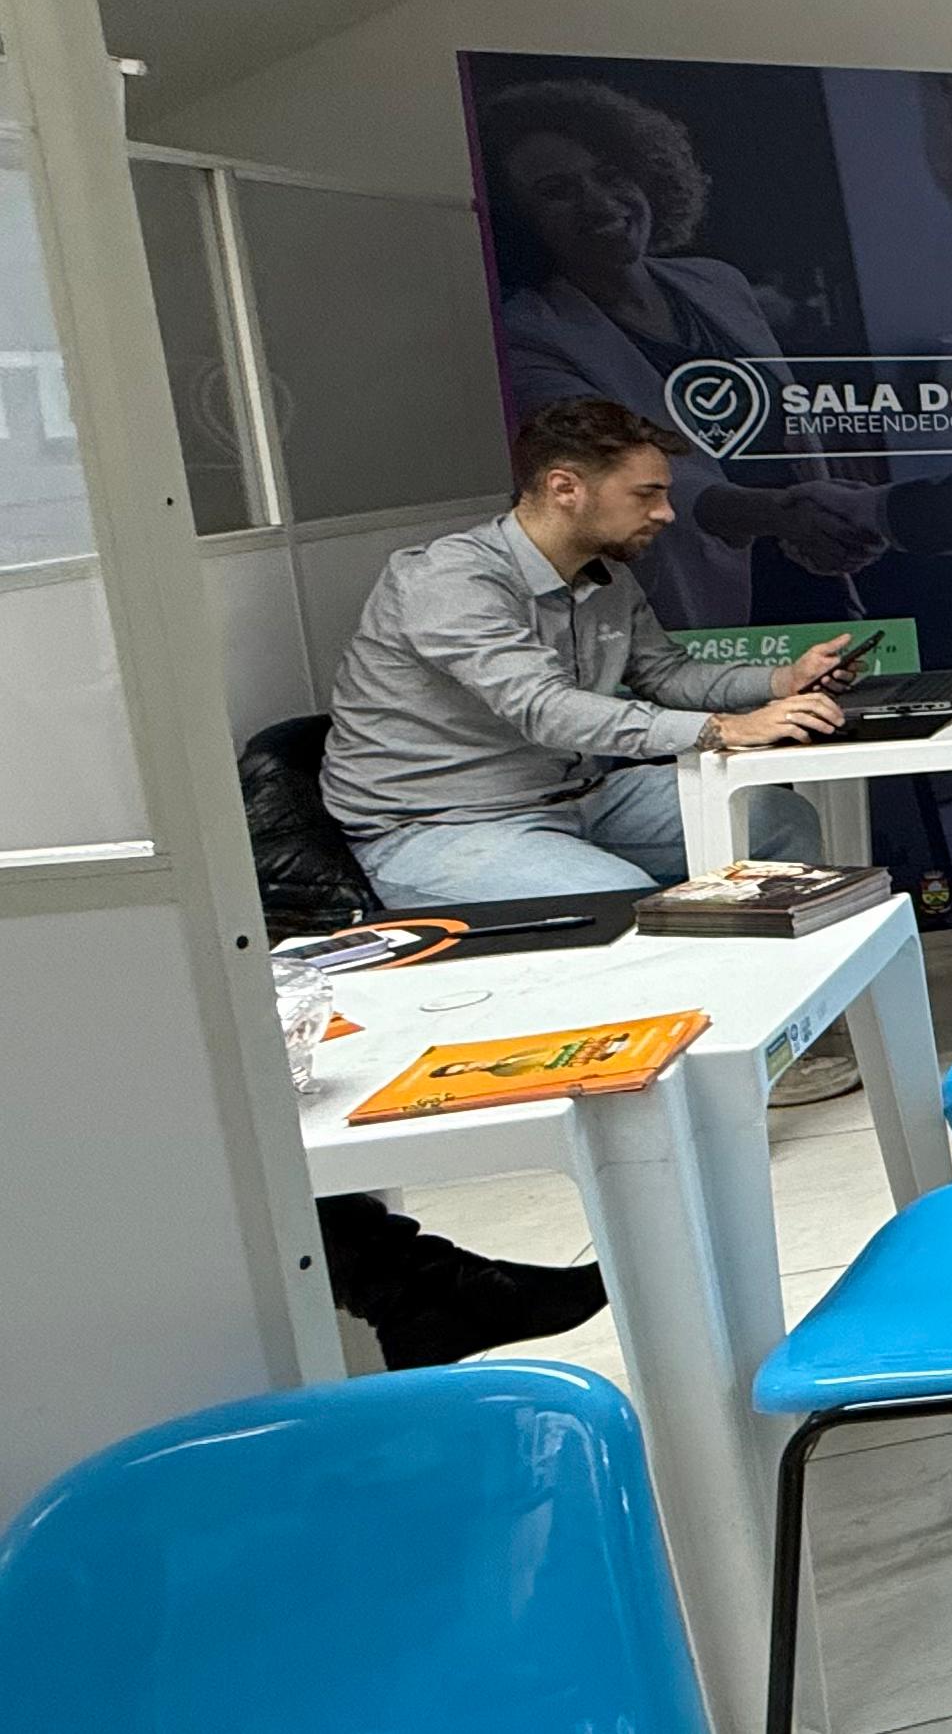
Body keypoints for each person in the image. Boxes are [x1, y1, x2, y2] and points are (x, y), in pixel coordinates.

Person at [310, 396, 861, 1365]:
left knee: (775, 825)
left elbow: (663, 677)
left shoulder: (604, 577)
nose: (667, 513)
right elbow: (544, 711)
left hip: (572, 794)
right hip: (440, 826)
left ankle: (765, 1057)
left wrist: (775, 684)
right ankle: (675, 1119)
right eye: (646, 494)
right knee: (628, 912)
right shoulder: (447, 581)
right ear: (566, 488)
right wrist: (720, 731)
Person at [481, 76, 888, 627]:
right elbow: (622, 479)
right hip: (695, 614)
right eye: (557, 191)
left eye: (610, 174)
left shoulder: (717, 282)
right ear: (515, 219)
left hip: (817, 586)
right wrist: (780, 515)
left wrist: (827, 522)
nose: (599, 202)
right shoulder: (529, 333)